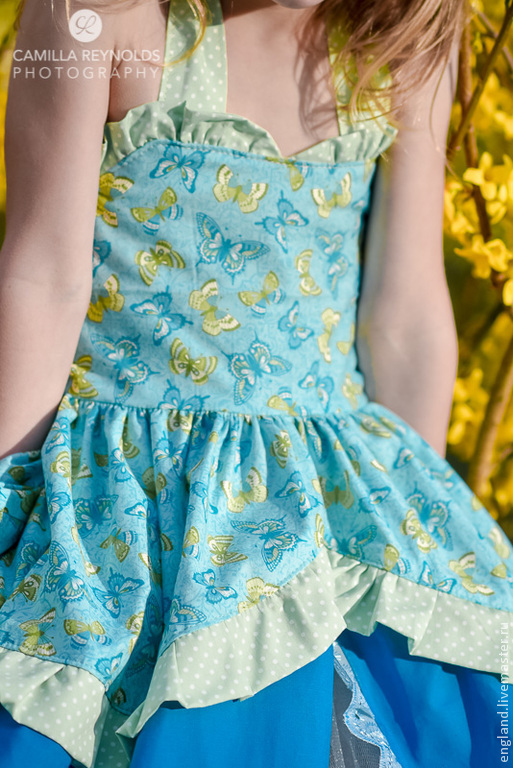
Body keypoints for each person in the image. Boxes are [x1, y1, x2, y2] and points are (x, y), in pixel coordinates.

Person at [0, 0, 511, 766]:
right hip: (123, 501)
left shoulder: (397, 45)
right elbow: (44, 277)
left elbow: (403, 314)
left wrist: (406, 545)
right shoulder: (97, 16)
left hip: (316, 510)